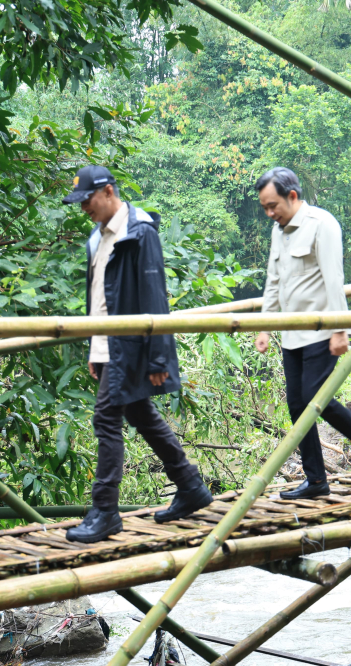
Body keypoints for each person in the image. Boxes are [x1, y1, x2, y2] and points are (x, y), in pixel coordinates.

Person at [61, 166, 212, 543]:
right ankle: (190, 485)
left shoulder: (139, 233)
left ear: (108, 192)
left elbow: (154, 295)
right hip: (108, 344)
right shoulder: (97, 237)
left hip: (130, 345)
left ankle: (105, 511)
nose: (84, 208)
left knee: (105, 419)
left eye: (88, 200)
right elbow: (98, 299)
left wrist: (159, 357)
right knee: (139, 413)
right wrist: (95, 347)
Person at [254, 167, 351, 499]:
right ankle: (316, 480)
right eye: (265, 207)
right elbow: (273, 283)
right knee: (298, 407)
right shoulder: (278, 232)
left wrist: (340, 329)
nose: (269, 213)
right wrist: (265, 326)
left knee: (315, 397)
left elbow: (333, 279)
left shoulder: (321, 224)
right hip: (291, 334)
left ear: (292, 196)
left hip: (322, 331)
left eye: (273, 206)